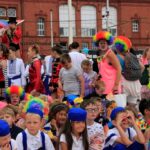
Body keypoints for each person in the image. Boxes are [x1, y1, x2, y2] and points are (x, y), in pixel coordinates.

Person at [114, 36, 144, 106]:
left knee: (122, 105)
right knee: (133, 106)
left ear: (117, 47)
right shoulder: (132, 56)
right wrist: (135, 75)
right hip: (135, 83)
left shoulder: (117, 57)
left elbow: (118, 71)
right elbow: (142, 67)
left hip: (124, 82)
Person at [93, 31, 121, 95]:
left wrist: (116, 85)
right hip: (103, 85)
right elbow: (101, 70)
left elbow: (119, 68)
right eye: (101, 43)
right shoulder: (100, 54)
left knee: (111, 104)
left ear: (108, 43)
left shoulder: (110, 54)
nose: (103, 45)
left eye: (104, 43)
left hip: (111, 84)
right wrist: (95, 80)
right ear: (98, 44)